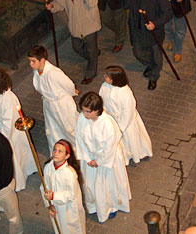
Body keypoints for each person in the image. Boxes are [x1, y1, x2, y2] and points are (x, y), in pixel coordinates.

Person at [75, 92, 131, 223]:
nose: (84, 114)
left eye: (88, 112)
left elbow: (109, 146)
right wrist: (88, 158)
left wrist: (99, 161)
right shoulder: (82, 119)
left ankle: (111, 206)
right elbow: (79, 137)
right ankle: (94, 205)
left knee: (107, 185)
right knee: (90, 185)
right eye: (83, 111)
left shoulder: (107, 123)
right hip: (89, 158)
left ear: (97, 110)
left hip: (107, 160)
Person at [0, 68, 37, 192]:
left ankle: (20, 177)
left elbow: (9, 122)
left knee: (12, 156)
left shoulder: (7, 99)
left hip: (7, 132)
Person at [46, 0, 101, 84]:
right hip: (75, 26)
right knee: (76, 47)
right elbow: (59, 2)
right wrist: (52, 6)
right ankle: (93, 58)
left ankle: (90, 73)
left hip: (89, 25)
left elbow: (93, 2)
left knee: (91, 51)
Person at [124, 0, 173, 90]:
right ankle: (151, 65)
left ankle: (153, 76)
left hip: (153, 32)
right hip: (137, 30)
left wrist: (155, 23)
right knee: (138, 53)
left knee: (156, 55)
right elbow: (125, 5)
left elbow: (167, 13)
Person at [28, 45, 79, 152]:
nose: (30, 64)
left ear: (42, 60)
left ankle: (76, 148)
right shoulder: (37, 71)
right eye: (30, 61)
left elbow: (68, 84)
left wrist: (72, 92)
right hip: (49, 104)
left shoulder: (53, 73)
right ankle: (58, 150)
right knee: (53, 128)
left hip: (61, 104)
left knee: (68, 127)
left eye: (33, 61)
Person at [99, 65, 152, 165]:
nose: (104, 77)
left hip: (125, 120)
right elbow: (102, 99)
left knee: (130, 139)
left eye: (107, 76)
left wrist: (121, 126)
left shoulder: (125, 92)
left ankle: (137, 153)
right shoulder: (105, 86)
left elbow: (128, 111)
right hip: (111, 117)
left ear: (114, 79)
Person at [42, 139, 86, 234]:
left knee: (71, 228)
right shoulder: (48, 167)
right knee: (58, 225)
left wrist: (54, 196)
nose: (55, 153)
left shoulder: (70, 174)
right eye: (54, 150)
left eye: (60, 151)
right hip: (55, 205)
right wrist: (49, 205)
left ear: (67, 156)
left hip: (69, 208)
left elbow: (71, 195)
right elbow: (44, 186)